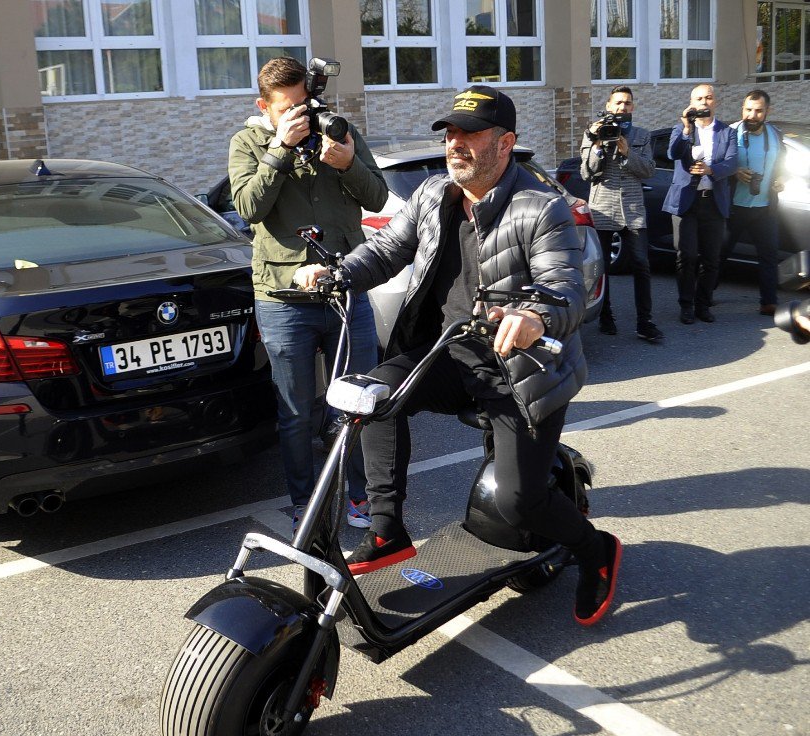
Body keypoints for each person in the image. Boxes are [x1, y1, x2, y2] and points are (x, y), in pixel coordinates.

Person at [295, 85, 622, 626]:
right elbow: (384, 251)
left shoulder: (543, 210)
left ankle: (596, 552)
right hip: (451, 353)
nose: (456, 145)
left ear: (506, 143)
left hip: (524, 369)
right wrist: (337, 273)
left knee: (520, 503)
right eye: (450, 135)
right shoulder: (431, 195)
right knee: (371, 396)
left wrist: (533, 316)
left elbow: (563, 286)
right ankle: (386, 529)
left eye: (470, 135)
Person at [228, 57, 388, 529]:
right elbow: (248, 207)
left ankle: (358, 494)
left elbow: (377, 197)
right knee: (297, 411)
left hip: (345, 292)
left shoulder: (340, 132)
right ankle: (305, 500)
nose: (302, 115)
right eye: (289, 108)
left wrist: (348, 163)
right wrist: (279, 148)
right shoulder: (248, 142)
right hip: (283, 300)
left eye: (307, 104)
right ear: (265, 106)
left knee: (356, 401)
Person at [580, 86, 663, 343]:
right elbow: (587, 173)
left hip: (633, 211)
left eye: (627, 103)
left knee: (642, 265)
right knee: (601, 268)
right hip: (602, 208)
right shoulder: (592, 133)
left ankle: (644, 322)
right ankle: (606, 317)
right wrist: (596, 145)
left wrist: (627, 151)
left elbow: (649, 169)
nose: (622, 108)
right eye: (618, 103)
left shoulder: (642, 135)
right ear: (608, 105)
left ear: (633, 107)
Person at [662, 84, 738, 324]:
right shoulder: (681, 129)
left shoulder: (727, 132)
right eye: (699, 98)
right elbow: (672, 154)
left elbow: (733, 162)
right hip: (687, 202)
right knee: (686, 256)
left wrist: (710, 169)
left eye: (709, 97)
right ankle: (686, 305)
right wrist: (686, 128)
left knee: (711, 258)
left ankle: (703, 304)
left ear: (715, 102)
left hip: (713, 204)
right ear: (691, 103)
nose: (704, 102)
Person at [719, 89, 787, 316]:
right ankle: (703, 296)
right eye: (748, 109)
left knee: (768, 256)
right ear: (742, 109)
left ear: (768, 111)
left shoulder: (776, 135)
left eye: (758, 111)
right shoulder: (729, 133)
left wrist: (781, 179)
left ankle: (769, 302)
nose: (752, 115)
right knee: (719, 253)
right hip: (734, 208)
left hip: (765, 208)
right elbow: (717, 165)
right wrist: (734, 171)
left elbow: (782, 165)